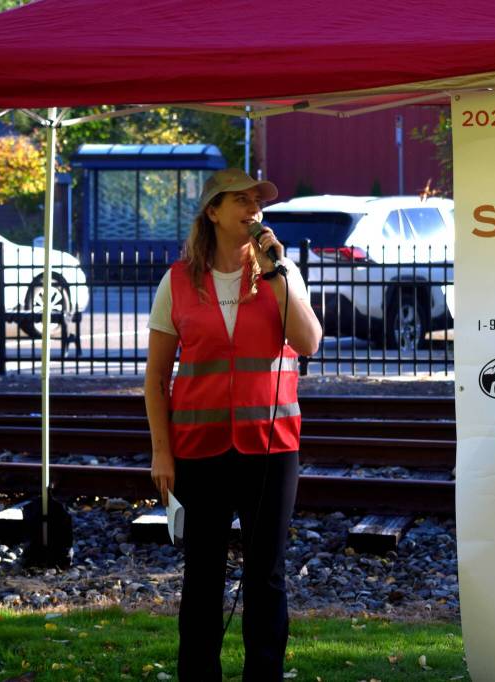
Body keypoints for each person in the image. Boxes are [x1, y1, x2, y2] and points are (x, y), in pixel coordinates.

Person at [144, 168, 322, 681]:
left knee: (266, 575)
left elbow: (308, 343)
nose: (252, 210)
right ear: (212, 212)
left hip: (270, 446)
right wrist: (161, 452)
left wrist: (280, 272)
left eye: (257, 201)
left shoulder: (279, 275)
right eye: (239, 200)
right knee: (203, 575)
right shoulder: (177, 281)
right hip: (199, 448)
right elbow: (156, 378)